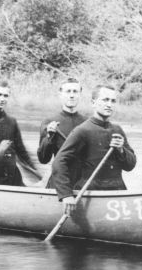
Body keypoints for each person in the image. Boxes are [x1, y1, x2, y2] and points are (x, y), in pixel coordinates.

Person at [52, 84, 137, 215]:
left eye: (113, 101)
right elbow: (59, 161)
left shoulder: (117, 130)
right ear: (93, 102)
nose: (109, 105)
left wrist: (121, 150)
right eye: (105, 100)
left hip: (118, 192)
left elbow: (130, 165)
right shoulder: (82, 130)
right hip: (91, 195)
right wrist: (66, 195)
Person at [37, 77, 88, 187]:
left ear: (80, 94)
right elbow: (43, 159)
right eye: (68, 91)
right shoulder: (49, 122)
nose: (71, 95)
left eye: (75, 91)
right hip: (59, 181)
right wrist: (49, 137)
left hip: (82, 183)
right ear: (60, 94)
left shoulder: (87, 122)